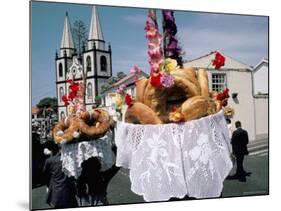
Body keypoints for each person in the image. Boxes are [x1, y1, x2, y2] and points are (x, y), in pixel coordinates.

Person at [43, 143, 78, 208]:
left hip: (56, 190)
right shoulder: (67, 158)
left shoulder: (49, 161)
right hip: (69, 189)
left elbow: (45, 174)